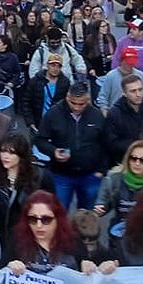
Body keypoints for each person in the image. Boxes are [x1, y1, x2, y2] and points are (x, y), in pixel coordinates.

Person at [35, 81, 109, 212]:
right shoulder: (53, 114)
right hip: (61, 175)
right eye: (73, 103)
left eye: (81, 104)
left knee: (87, 218)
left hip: (90, 175)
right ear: (67, 97)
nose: (77, 108)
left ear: (88, 99)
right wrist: (53, 151)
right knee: (59, 214)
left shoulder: (96, 115)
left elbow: (106, 144)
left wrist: (101, 170)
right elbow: (40, 140)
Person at [0, 132, 55, 255]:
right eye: (3, 151)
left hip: (29, 235)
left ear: (22, 155)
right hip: (0, 235)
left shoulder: (40, 176)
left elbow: (52, 208)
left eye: (12, 152)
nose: (5, 156)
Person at [93, 140, 143, 235]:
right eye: (133, 158)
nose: (137, 163)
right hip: (119, 231)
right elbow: (102, 203)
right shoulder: (113, 178)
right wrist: (100, 208)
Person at [102, 73, 143, 166]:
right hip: (124, 164)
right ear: (124, 93)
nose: (138, 94)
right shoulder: (115, 113)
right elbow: (111, 143)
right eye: (133, 91)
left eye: (140, 90)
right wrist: (140, 144)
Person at [21, 53, 71, 130]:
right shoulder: (36, 81)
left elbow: (67, 104)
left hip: (57, 123)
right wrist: (30, 122)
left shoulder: (65, 82)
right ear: (47, 65)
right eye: (53, 65)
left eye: (58, 66)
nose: (55, 68)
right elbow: (26, 101)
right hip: (38, 122)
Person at [82, 19, 117, 83]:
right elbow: (84, 56)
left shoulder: (110, 38)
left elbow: (116, 51)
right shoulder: (90, 40)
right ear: (97, 28)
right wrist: (90, 68)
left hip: (109, 68)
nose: (105, 28)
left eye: (106, 26)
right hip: (96, 69)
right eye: (103, 26)